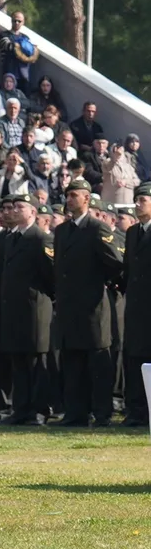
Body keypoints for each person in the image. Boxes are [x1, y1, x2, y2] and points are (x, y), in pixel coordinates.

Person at [52, 178, 124, 427]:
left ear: (86, 198)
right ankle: (76, 413)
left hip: (92, 305)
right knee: (72, 362)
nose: (69, 199)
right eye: (67, 195)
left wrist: (100, 281)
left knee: (97, 362)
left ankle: (102, 413)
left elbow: (115, 262)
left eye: (74, 195)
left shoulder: (97, 228)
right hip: (69, 307)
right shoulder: (62, 231)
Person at [0, 195, 54, 426]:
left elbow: (50, 275)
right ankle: (20, 409)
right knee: (18, 360)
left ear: (33, 212)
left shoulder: (40, 238)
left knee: (36, 361)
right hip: (15, 308)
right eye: (14, 207)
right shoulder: (12, 238)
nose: (16, 210)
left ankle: (39, 410)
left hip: (34, 308)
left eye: (21, 207)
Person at [122, 183, 151, 430]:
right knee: (136, 359)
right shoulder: (132, 233)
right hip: (136, 308)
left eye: (143, 200)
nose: (137, 204)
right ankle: (137, 411)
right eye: (137, 200)